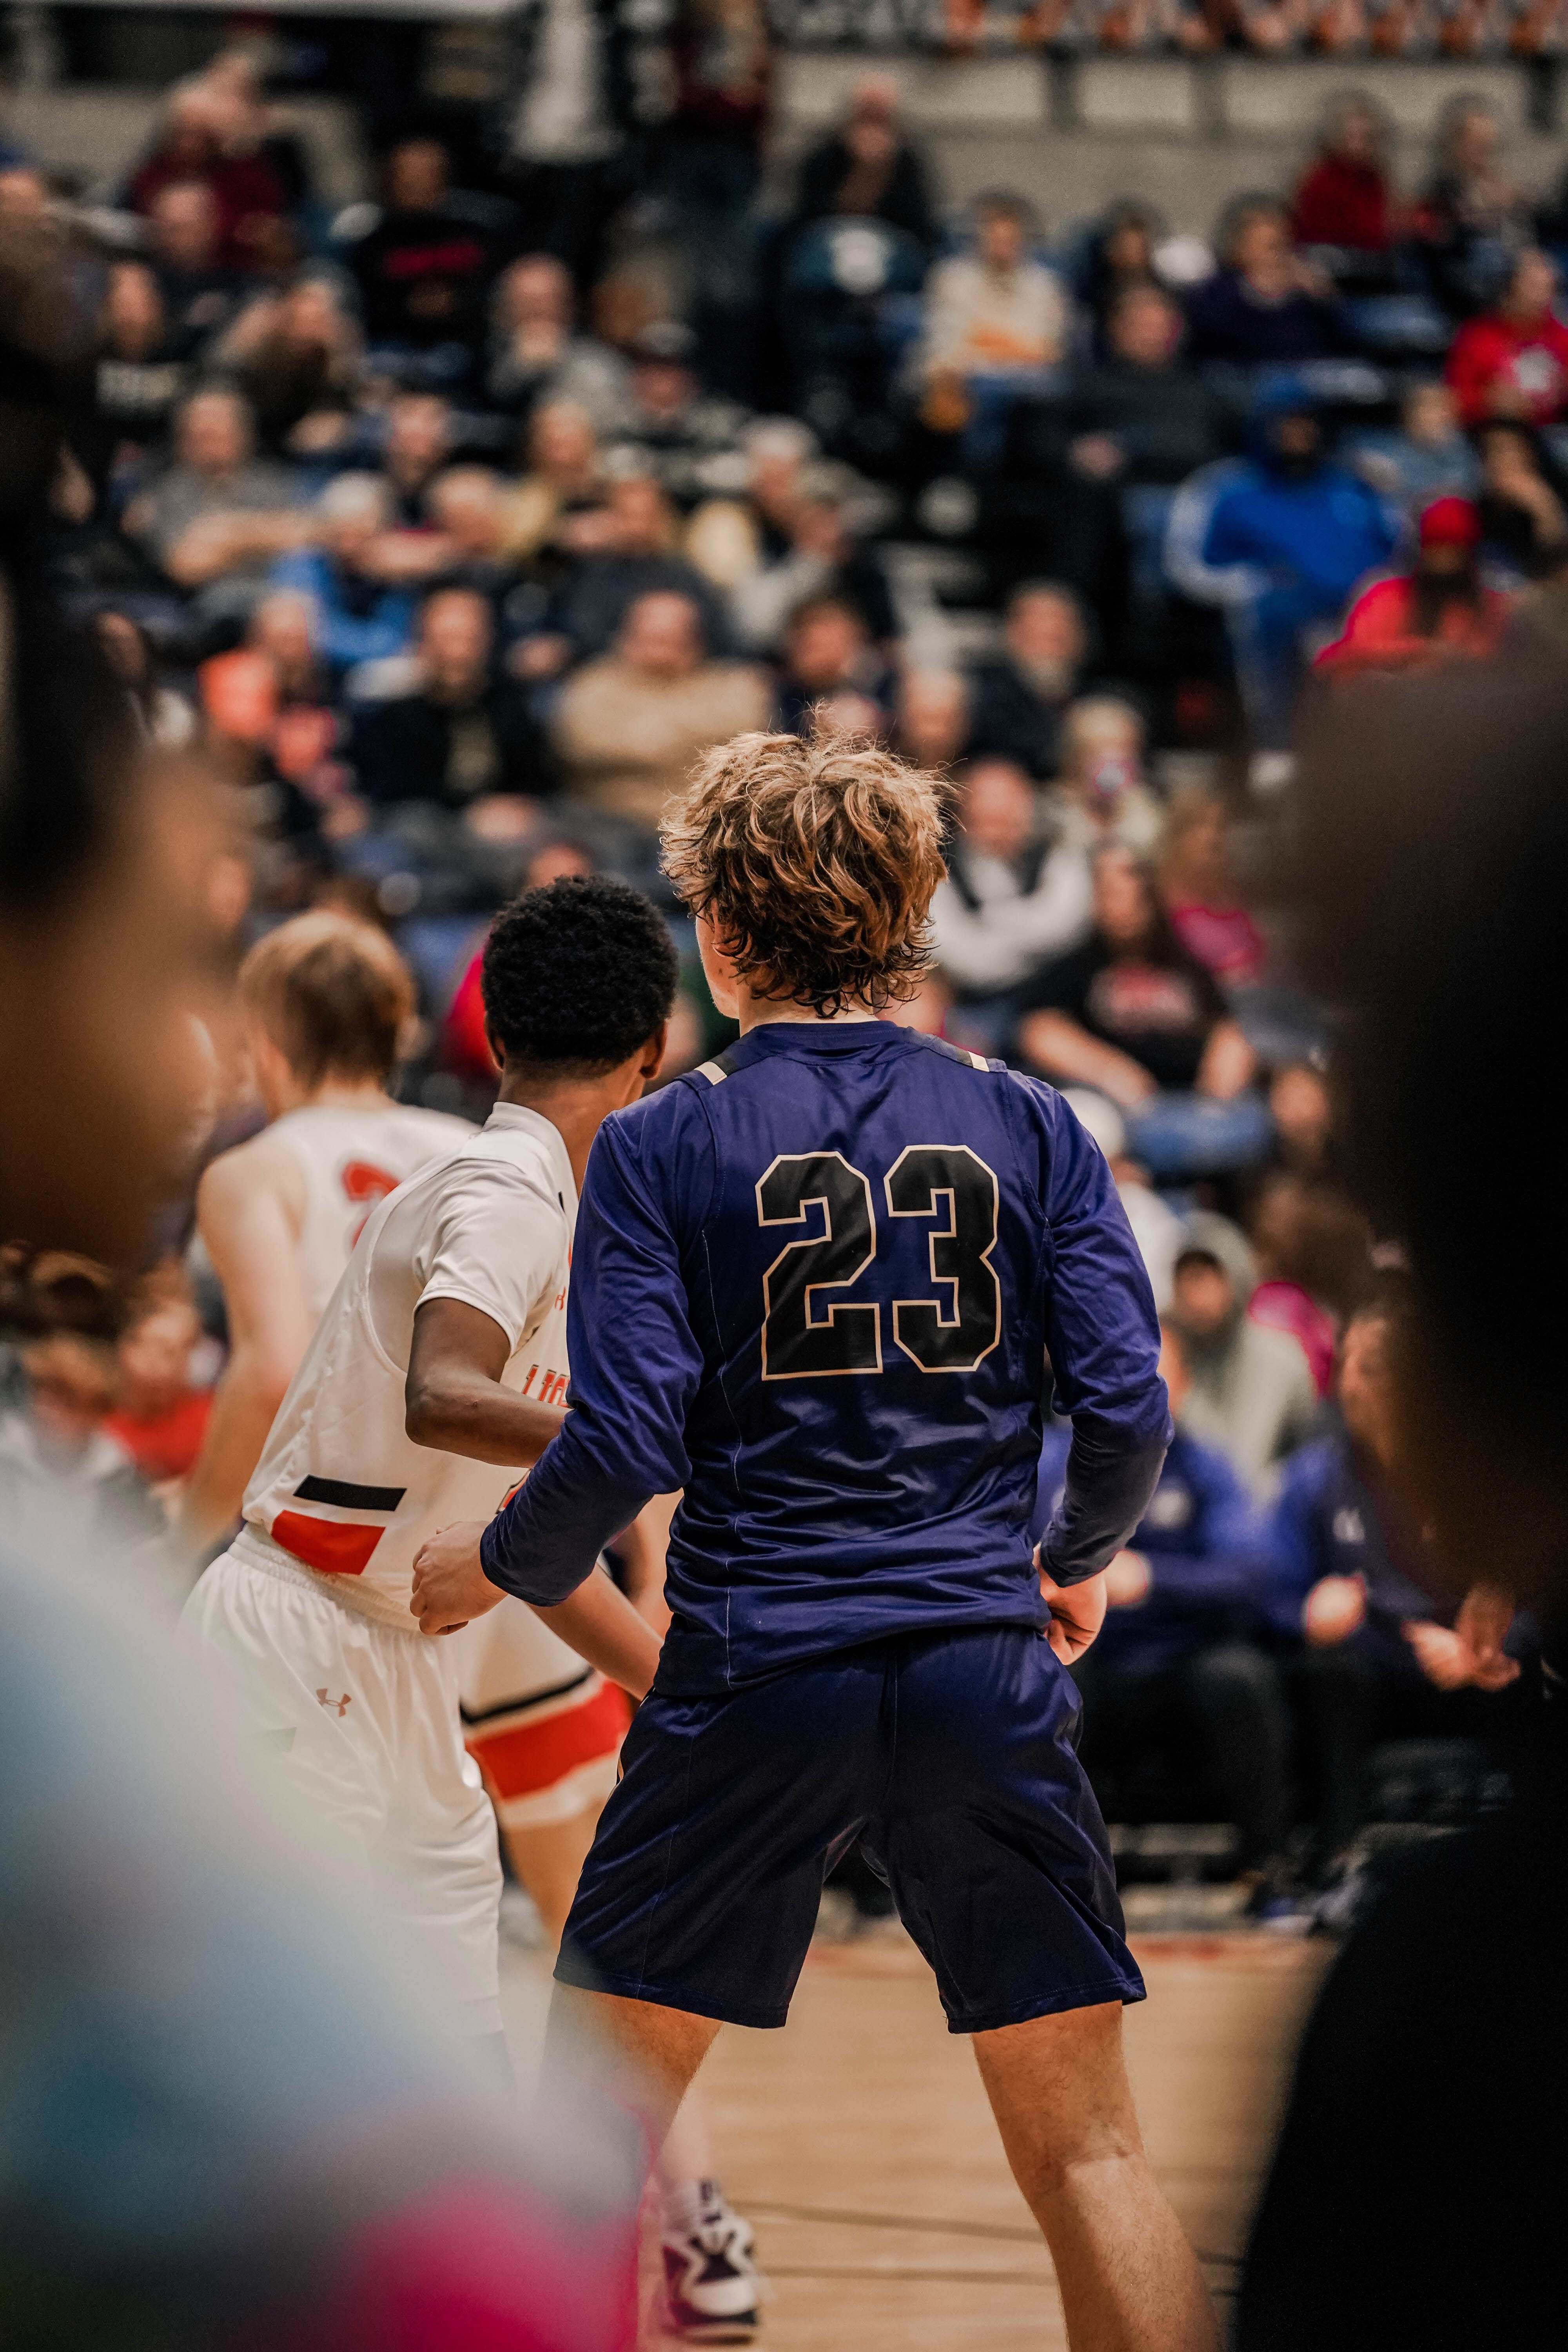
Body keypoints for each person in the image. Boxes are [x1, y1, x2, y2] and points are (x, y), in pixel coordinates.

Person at [408, 730, 1220, 2352]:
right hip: (982, 1665)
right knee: (1092, 2155)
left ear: (717, 934)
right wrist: (1074, 1559)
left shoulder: (659, 1143)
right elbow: (1128, 1405)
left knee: (587, 2162)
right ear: (912, 918)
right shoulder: (1033, 1119)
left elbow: (624, 1442)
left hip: (753, 1670)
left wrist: (498, 1565)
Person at [180, 878, 763, 2341]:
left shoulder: (567, 1215)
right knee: (287, 2072)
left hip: (396, 1657)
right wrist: (657, 1444)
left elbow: (541, 1549)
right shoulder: (503, 1188)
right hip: (293, 1637)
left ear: (495, 1032)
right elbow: (447, 1389)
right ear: (655, 1047)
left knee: (443, 2077)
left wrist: (698, 1697)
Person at [176, 913, 477, 1563]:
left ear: (263, 1039)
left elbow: (272, 1373)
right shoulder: (478, 1150)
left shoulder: (256, 1168)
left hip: (327, 1533)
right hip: (468, 1538)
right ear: (399, 1031)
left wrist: (184, 1542)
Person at [1263, 1293, 1521, 1870]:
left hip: (1471, 1666)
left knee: (1535, 1668)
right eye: (1348, 1364)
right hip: (1369, 1670)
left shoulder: (1480, 1472)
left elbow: (1538, 1591)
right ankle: (1337, 1858)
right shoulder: (1315, 1475)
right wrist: (1304, 1613)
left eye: (1374, 1365)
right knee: (1322, 1673)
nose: (1355, 1383)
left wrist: (1478, 1652)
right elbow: (1267, 1591)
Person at [1037, 1323, 1289, 1889]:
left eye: (1154, 1375)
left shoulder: (1208, 1467)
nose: (1136, 1390)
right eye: (1122, 1375)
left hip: (1184, 1654)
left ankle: (1267, 1870)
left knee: (1240, 1679)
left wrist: (1152, 1578)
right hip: (1091, 1655)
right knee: (1045, 1681)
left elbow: (1249, 1575)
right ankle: (1055, 1874)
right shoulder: (1057, 1465)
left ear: (1184, 1384)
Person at [1016, 845, 1270, 1185]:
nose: (1125, 900)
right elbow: (1039, 1033)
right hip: (1119, 1112)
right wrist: (1112, 1072)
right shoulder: (1076, 966)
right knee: (1094, 1127)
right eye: (1111, 890)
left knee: (1256, 1123)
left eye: (1135, 885)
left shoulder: (1184, 963)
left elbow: (1229, 1025)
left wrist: (1224, 1069)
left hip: (1196, 1107)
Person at [553, 589, 769, 830]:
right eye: (651, 638)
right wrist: (693, 739)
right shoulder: (592, 684)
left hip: (707, 822)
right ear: (625, 639)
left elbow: (750, 742)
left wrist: (642, 733)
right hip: (608, 819)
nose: (660, 652)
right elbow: (579, 745)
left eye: (672, 639)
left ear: (696, 642)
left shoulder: (733, 686)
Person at [351, 586, 557, 822]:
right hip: (428, 826)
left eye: (468, 640)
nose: (456, 654)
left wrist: (520, 807)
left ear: (488, 640)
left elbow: (537, 782)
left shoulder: (513, 704)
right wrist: (471, 814)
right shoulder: (392, 711)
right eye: (446, 640)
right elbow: (393, 796)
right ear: (423, 641)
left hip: (510, 824)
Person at [1166, 1213, 1319, 1496]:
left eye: (1207, 1275)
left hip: (1269, 1513)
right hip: (1190, 1512)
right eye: (1186, 1277)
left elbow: (1309, 1456)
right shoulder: (1170, 1362)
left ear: (1237, 1274)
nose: (1196, 1292)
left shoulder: (1284, 1359)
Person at [929, 756, 1093, 1004]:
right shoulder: (938, 866)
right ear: (964, 817)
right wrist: (1031, 940)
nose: (998, 834)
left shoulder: (1058, 852)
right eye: (988, 821)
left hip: (1055, 996)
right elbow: (956, 955)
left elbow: (1066, 928)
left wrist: (990, 920)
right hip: (971, 1003)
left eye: (1008, 819)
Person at [1316, 494, 1508, 673]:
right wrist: (1419, 653)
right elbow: (1347, 655)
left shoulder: (1490, 608)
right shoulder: (1384, 598)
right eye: (1437, 548)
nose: (1446, 561)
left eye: (1456, 551)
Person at [1185, 198, 1348, 369]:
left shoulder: (1306, 294)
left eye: (1287, 245)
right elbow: (1212, 342)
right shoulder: (1216, 293)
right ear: (1239, 249)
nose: (1282, 256)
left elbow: (1337, 346)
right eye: (1272, 247)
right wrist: (1260, 297)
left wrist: (1324, 299)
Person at [788, 71, 937, 249]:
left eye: (880, 116)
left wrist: (879, 172)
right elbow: (808, 217)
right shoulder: (823, 156)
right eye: (867, 113)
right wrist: (860, 173)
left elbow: (916, 224)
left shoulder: (908, 162)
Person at [967, 580, 1091, 779]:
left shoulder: (1094, 694)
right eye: (1037, 636)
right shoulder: (982, 695)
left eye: (1056, 638)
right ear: (1013, 634)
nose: (1047, 649)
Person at [1445, 244, 1568, 427]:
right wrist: (1488, 401)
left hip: (1551, 432)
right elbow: (1456, 396)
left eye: (1548, 289)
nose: (1542, 298)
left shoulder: (1562, 337)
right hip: (1492, 430)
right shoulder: (1477, 336)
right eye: (1533, 287)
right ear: (1509, 288)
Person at [1290, 93, 1398, 262]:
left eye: (1370, 138)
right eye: (1355, 137)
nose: (1364, 145)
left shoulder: (1375, 178)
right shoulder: (1320, 179)